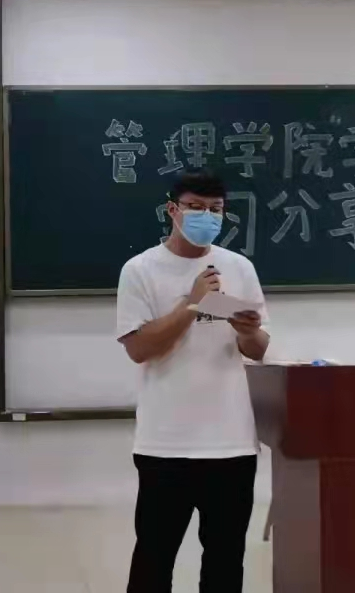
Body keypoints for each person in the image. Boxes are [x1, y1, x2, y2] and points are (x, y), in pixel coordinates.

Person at [116, 170, 269, 593]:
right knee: (155, 556)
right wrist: (192, 303)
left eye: (215, 209)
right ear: (173, 210)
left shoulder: (239, 268)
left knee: (225, 559)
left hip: (232, 442)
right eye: (196, 207)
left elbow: (258, 348)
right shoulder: (140, 270)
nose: (207, 217)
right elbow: (139, 348)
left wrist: (247, 331)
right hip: (166, 444)